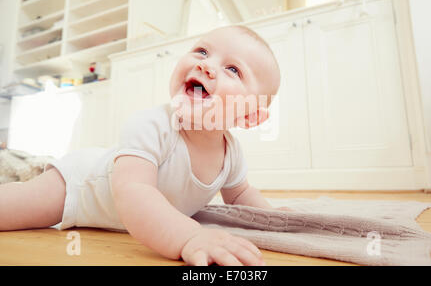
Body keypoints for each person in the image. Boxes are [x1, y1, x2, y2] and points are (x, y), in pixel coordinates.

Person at [0, 25, 285, 266]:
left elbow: (241, 195)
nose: (205, 65)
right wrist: (189, 235)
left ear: (249, 115)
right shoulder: (153, 125)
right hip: (79, 186)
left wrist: (275, 219)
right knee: (15, 207)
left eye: (232, 69)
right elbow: (134, 191)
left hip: (104, 202)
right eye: (202, 51)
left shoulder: (231, 153)